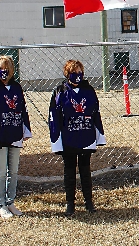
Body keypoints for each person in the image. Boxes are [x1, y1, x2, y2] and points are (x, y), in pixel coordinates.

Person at [49, 60, 106, 216]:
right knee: (69, 170)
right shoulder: (60, 91)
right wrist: (56, 140)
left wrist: (99, 136)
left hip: (85, 136)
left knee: (85, 170)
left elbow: (96, 113)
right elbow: (54, 116)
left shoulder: (88, 90)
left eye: (80, 72)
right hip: (68, 138)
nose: (78, 75)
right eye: (74, 72)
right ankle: (70, 203)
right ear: (67, 74)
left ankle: (89, 201)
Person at [0, 55, 32, 219]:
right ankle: (1, 204)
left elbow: (22, 109)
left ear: (12, 71)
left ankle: (10, 202)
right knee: (1, 170)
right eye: (1, 68)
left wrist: (26, 130)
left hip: (15, 134)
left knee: (13, 171)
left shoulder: (16, 87)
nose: (4, 72)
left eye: (7, 69)